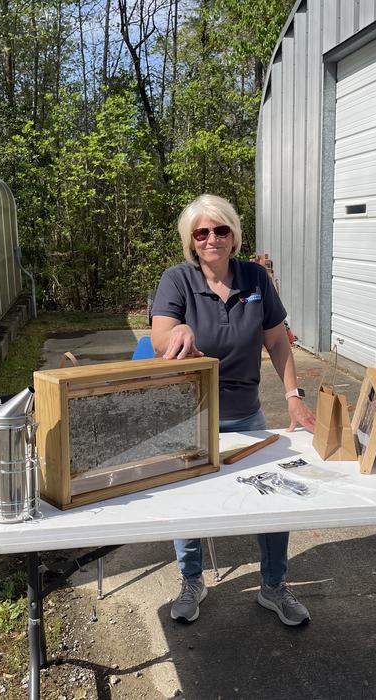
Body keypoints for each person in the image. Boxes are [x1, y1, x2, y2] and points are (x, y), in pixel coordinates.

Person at [150, 193, 316, 627]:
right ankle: (192, 580)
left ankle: (273, 585)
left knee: (273, 501)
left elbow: (277, 340)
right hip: (191, 419)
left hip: (247, 416)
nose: (212, 239)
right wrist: (178, 330)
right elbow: (159, 337)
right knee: (187, 502)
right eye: (201, 232)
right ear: (190, 240)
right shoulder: (177, 280)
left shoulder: (255, 278)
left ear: (234, 235)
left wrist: (294, 396)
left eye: (221, 229)